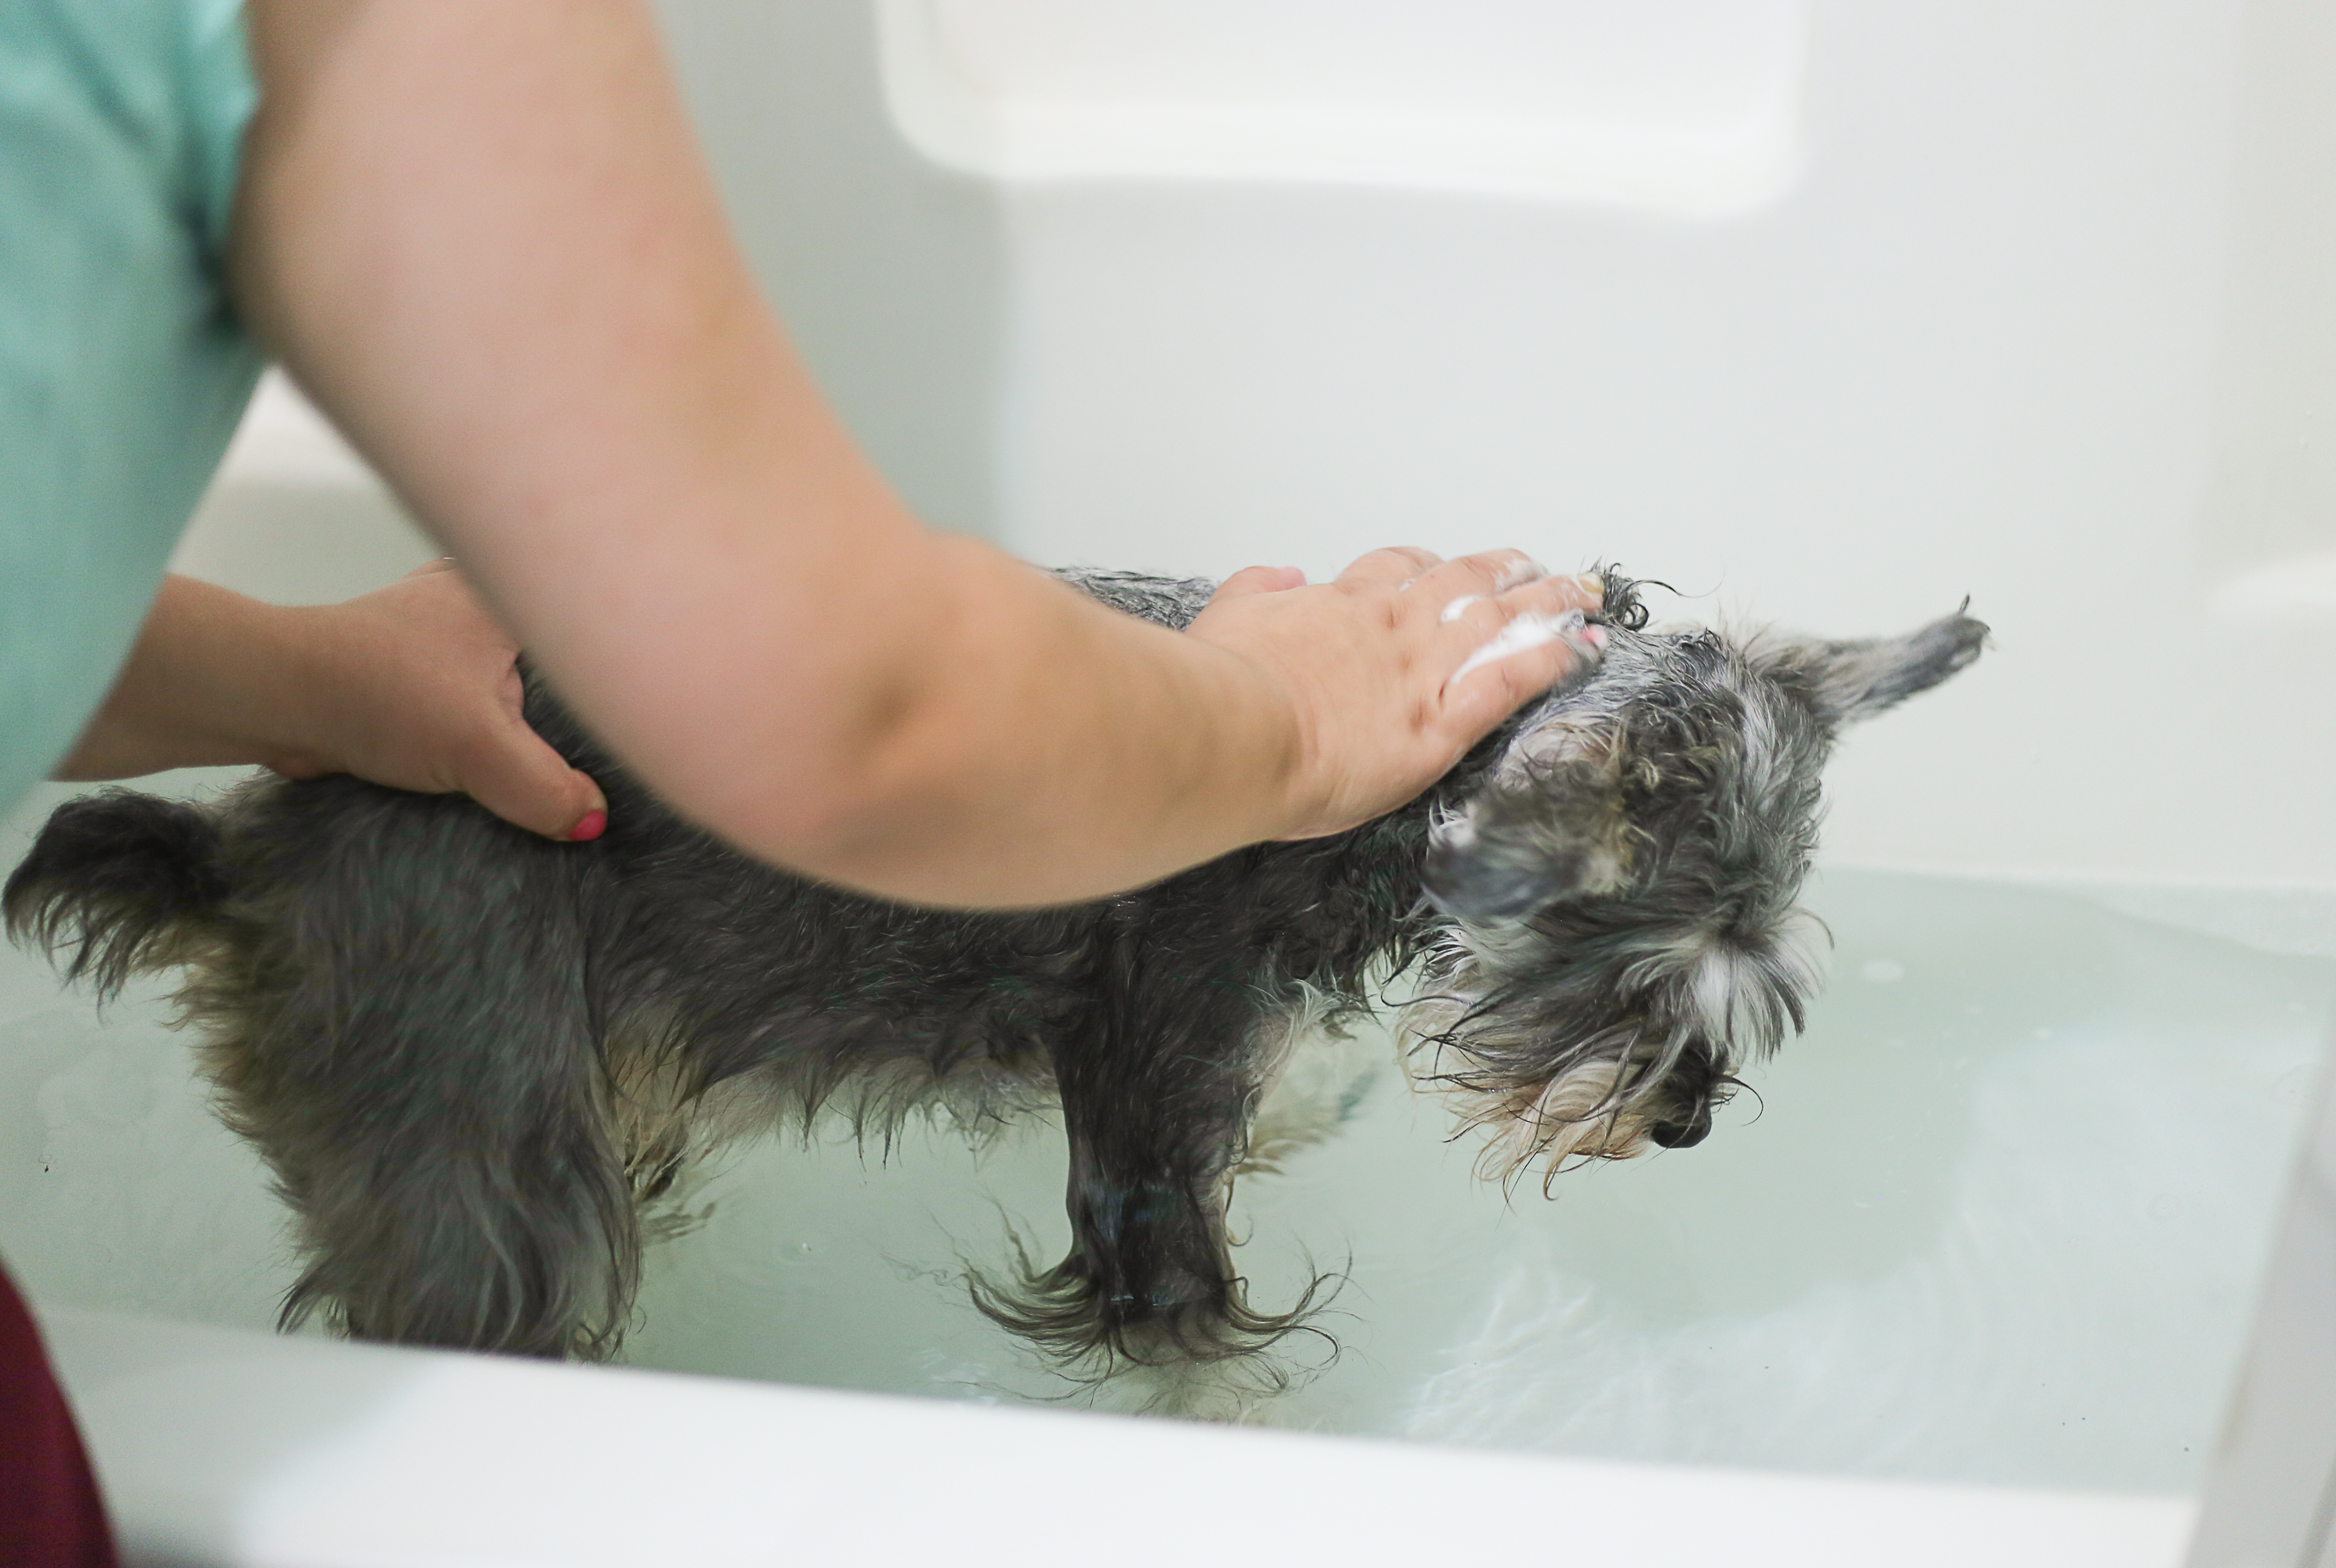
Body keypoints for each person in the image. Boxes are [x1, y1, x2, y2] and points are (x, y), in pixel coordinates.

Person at [0, 3, 1604, 1561]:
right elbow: (856, 717)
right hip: (433, 959)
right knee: (494, 1379)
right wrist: (1278, 724)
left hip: (417, 878)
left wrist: (294, 677)